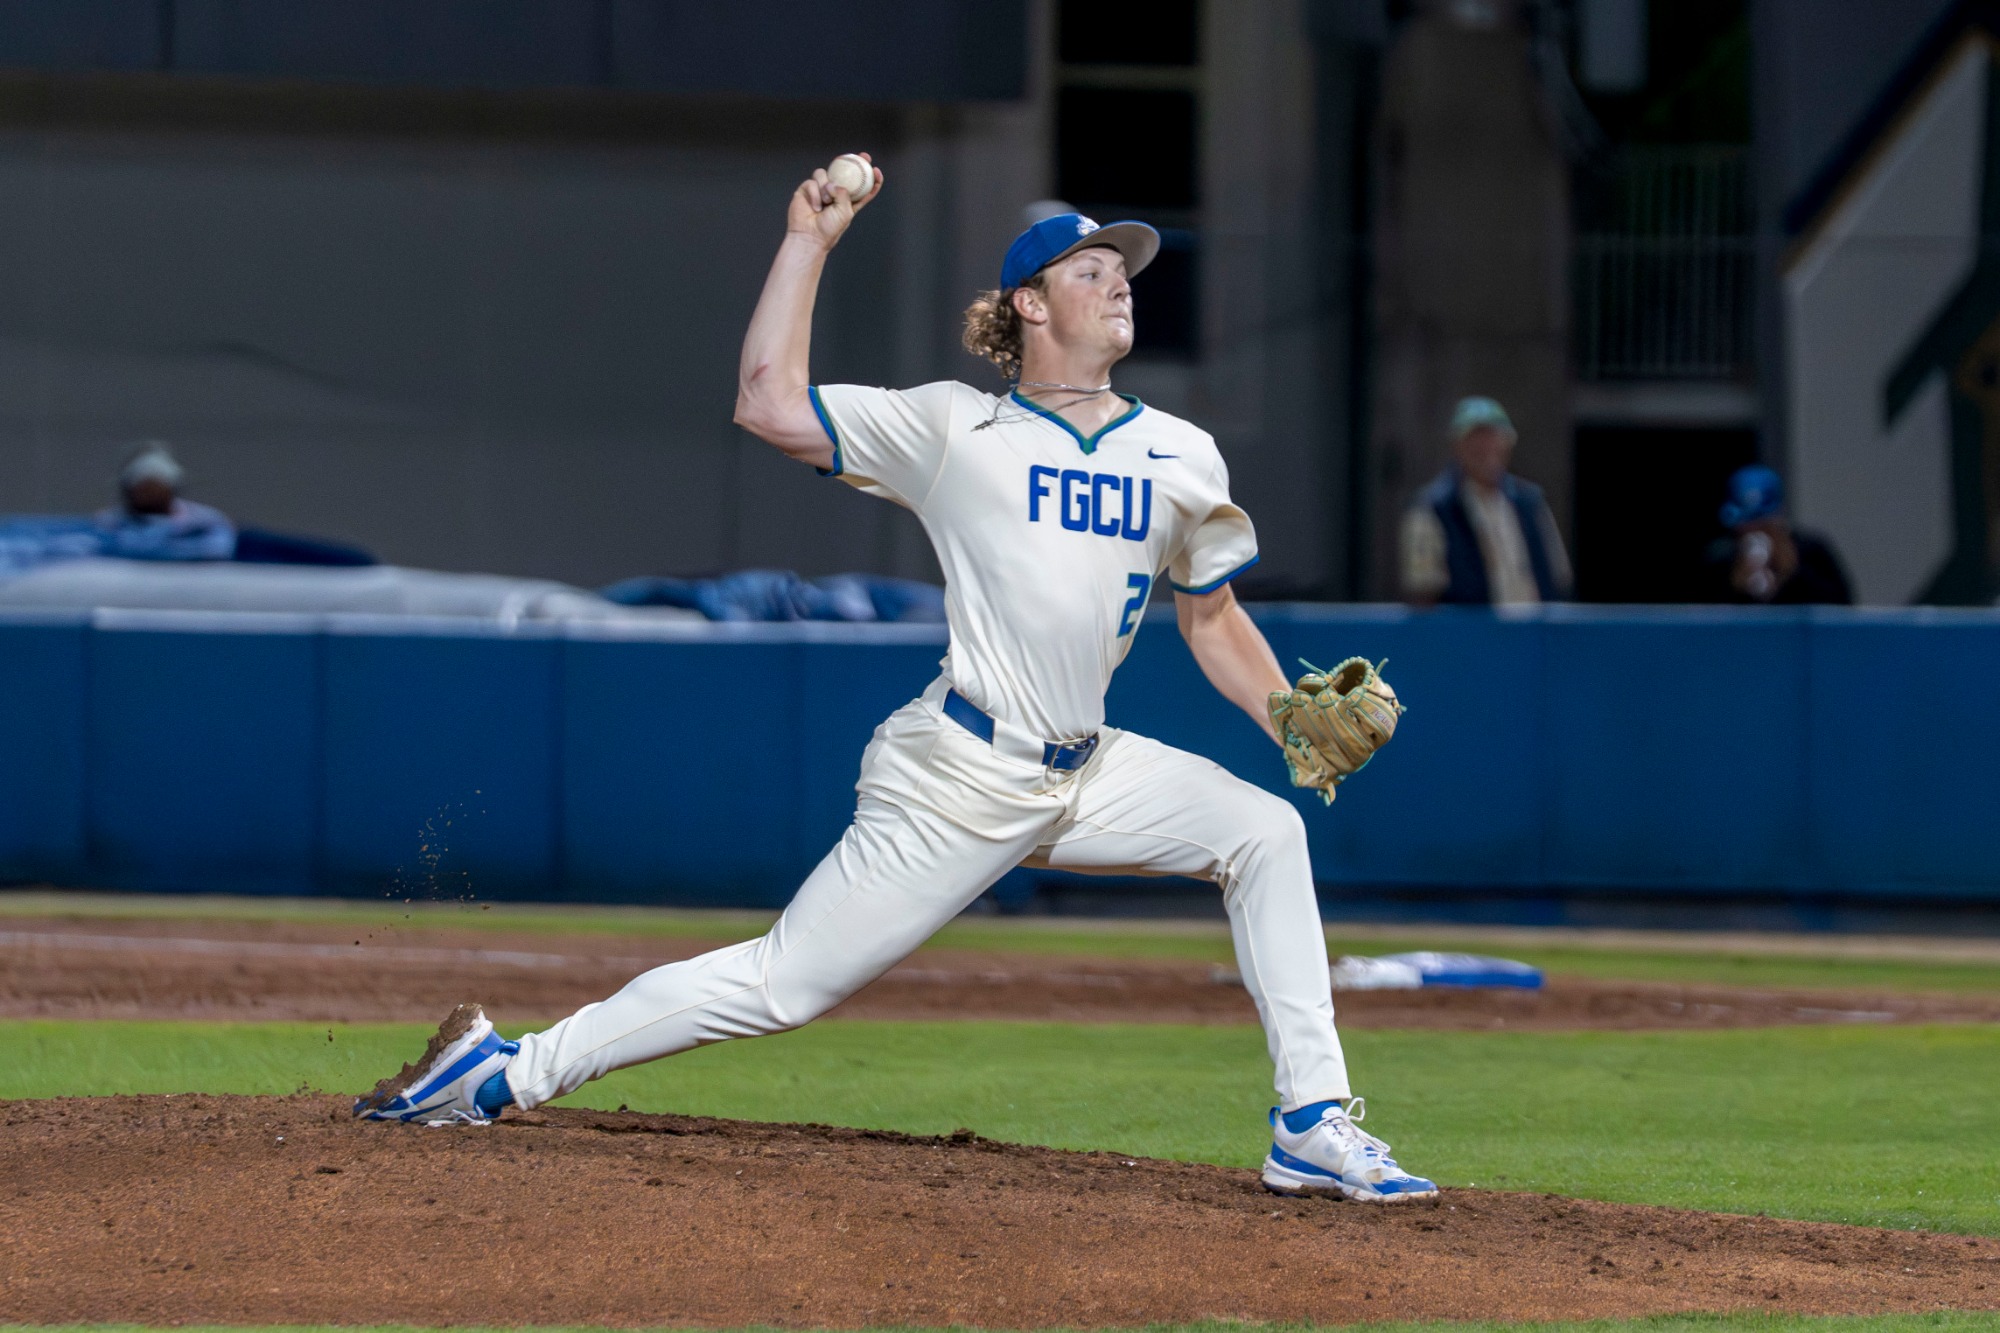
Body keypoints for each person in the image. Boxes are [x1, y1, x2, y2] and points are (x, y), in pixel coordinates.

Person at [354, 157, 1437, 1203]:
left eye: (1123, 271)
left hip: (1087, 767)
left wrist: (1285, 717)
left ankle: (1309, 1123)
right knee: (783, 984)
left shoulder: (1182, 454)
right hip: (961, 773)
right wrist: (806, 242)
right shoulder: (956, 426)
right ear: (1028, 304)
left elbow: (1211, 615)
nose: (1119, 284)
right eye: (1090, 270)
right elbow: (768, 403)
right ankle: (502, 1073)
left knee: (1264, 833)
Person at [1400, 397, 1571, 606]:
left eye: (1494, 437)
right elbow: (1422, 591)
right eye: (1475, 438)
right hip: (1471, 626)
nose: (1486, 446)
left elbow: (1558, 576)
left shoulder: (1530, 502)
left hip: (1531, 624)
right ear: (1457, 446)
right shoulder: (1432, 508)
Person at [1707, 465, 1853, 605]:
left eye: (1761, 523)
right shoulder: (1723, 555)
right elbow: (1705, 609)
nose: (1752, 529)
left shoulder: (1811, 551)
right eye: (1746, 523)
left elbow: (1841, 608)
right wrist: (1738, 582)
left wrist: (1792, 571)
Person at [96, 442, 236, 561]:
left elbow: (217, 550)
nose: (148, 495)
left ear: (171, 490)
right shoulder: (107, 523)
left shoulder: (205, 522)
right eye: (142, 489)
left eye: (155, 488)